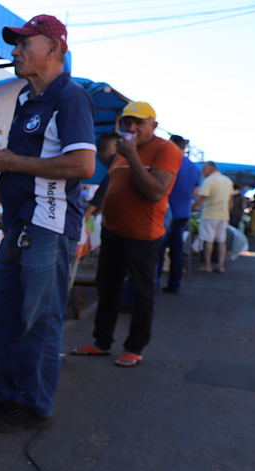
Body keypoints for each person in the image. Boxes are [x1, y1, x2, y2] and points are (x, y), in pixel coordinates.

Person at [0, 14, 95, 433]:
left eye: (24, 43)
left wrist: (12, 161)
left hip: (49, 227)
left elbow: (83, 164)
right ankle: (2, 394)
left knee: (38, 318)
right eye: (15, 44)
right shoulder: (25, 97)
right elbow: (12, 165)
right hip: (19, 222)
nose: (15, 51)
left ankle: (34, 405)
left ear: (54, 50)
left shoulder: (70, 97)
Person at [72, 101, 181, 367]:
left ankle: (134, 347)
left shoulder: (165, 149)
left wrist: (132, 155)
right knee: (107, 289)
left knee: (142, 293)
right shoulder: (121, 152)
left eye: (138, 123)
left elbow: (155, 192)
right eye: (126, 123)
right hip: (113, 231)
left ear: (153, 126)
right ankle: (101, 342)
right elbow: (113, 187)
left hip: (143, 236)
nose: (131, 128)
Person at [157, 134, 201, 294]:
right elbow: (196, 192)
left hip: (167, 212)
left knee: (159, 250)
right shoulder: (194, 167)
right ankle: (174, 284)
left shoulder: (171, 161)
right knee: (176, 251)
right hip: (183, 213)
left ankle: (153, 284)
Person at [191, 161, 233, 273]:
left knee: (208, 240)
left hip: (210, 215)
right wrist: (228, 214)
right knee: (221, 241)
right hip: (223, 215)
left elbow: (202, 197)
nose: (202, 171)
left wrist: (191, 208)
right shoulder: (227, 180)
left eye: (204, 169)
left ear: (210, 169)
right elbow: (230, 200)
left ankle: (207, 265)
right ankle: (221, 266)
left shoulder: (208, 181)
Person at [83, 132, 119, 220]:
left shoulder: (116, 159)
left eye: (103, 149)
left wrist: (87, 213)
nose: (99, 153)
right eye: (99, 149)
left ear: (116, 148)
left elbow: (104, 187)